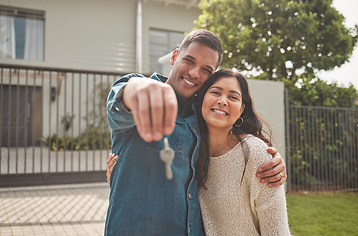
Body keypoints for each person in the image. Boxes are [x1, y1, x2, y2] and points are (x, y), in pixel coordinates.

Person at [105, 29, 287, 235]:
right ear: (174, 56)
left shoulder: (202, 118)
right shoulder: (142, 93)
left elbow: (233, 142)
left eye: (205, 69)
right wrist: (141, 88)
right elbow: (125, 98)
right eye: (189, 61)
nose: (194, 73)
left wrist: (270, 159)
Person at [194, 69, 290, 235]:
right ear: (202, 98)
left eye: (233, 97)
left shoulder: (258, 154)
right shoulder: (190, 149)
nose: (223, 101)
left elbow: (277, 231)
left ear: (241, 110)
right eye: (215, 92)